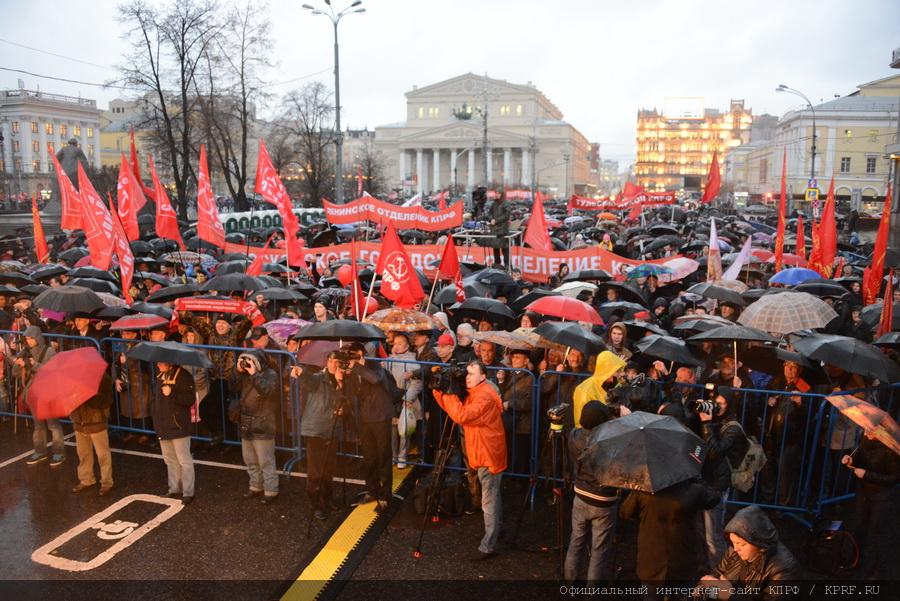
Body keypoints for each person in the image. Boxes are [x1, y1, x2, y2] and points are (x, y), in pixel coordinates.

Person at [432, 361, 506, 560]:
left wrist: (449, 393)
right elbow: (452, 409)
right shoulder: (477, 390)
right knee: (492, 495)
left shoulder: (484, 396)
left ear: (483, 376)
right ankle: (498, 528)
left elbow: (460, 415)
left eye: (472, 374)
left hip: (488, 455)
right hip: (484, 452)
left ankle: (488, 546)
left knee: (488, 500)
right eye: (466, 373)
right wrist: (440, 390)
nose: (467, 377)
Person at [620, 477, 721, 597]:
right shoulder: (694, 491)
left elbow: (625, 512)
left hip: (651, 563)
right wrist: (698, 479)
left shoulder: (643, 490)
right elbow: (714, 498)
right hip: (683, 561)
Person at [564, 401, 620, 585]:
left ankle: (570, 581)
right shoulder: (609, 442)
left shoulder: (574, 435)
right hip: (604, 499)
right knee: (599, 548)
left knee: (576, 540)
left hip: (580, 493)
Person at [291, 352, 349, 520]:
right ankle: (317, 505)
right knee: (316, 471)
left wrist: (341, 384)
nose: (333, 364)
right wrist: (301, 372)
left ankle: (327, 499)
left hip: (332, 430)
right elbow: (309, 380)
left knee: (329, 468)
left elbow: (347, 402)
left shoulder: (342, 380)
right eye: (331, 360)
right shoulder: (318, 378)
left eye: (337, 361)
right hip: (315, 430)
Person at [697, 506, 801, 600]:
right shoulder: (734, 550)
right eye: (733, 543)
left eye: (741, 544)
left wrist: (731, 595)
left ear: (758, 542)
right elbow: (718, 575)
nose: (736, 549)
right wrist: (704, 590)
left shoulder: (783, 569)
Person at [699, 387, 750, 572]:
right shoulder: (719, 422)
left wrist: (706, 425)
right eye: (716, 403)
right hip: (708, 480)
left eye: (721, 404)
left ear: (729, 405)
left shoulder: (733, 428)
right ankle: (709, 567)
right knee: (705, 533)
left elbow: (715, 451)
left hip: (718, 485)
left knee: (713, 537)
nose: (717, 407)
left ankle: (720, 574)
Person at [345, 343, 401, 512]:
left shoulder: (373, 364)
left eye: (353, 354)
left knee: (383, 455)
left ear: (361, 353)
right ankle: (372, 490)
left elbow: (375, 379)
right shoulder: (354, 370)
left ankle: (385, 496)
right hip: (365, 417)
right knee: (369, 456)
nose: (350, 357)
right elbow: (353, 392)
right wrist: (345, 375)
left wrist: (357, 368)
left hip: (380, 416)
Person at [842, 428, 899, 579]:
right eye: (866, 430)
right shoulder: (866, 438)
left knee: (876, 532)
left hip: (881, 496)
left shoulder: (891, 450)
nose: (866, 433)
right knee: (860, 527)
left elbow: (893, 478)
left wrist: (867, 474)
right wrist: (851, 459)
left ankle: (876, 570)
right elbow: (860, 454)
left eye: (870, 431)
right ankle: (855, 561)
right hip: (864, 492)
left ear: (881, 432)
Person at [230, 351, 280, 504]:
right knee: (250, 459)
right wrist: (237, 371)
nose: (248, 364)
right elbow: (232, 387)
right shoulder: (245, 374)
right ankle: (255, 486)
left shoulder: (271, 374)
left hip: (263, 423)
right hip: (246, 422)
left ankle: (271, 490)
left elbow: (268, 391)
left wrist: (254, 374)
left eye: (250, 361)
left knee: (265, 460)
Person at [17, 326, 64, 466]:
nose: (29, 341)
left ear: (37, 337)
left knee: (53, 425)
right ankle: (40, 451)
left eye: (31, 338)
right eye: (27, 339)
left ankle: (59, 452)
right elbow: (15, 372)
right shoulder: (25, 352)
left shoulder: (49, 351)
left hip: (48, 392)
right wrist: (19, 365)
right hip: (33, 392)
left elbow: (53, 371)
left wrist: (35, 364)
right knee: (38, 426)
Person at [153, 361, 196, 504]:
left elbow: (189, 400)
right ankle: (174, 488)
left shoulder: (184, 376)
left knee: (184, 460)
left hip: (178, 426)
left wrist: (172, 393)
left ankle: (188, 492)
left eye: (160, 363)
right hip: (164, 425)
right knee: (169, 459)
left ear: (169, 363)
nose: (157, 365)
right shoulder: (160, 376)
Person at [70, 373, 115, 496]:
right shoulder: (72, 378)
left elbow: (106, 401)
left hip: (96, 421)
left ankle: (106, 482)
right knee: (83, 453)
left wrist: (86, 394)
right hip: (80, 421)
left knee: (102, 454)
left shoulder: (103, 377)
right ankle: (86, 479)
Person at [497, 348, 533, 474]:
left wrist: (510, 404)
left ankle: (519, 480)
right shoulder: (509, 374)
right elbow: (502, 395)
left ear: (526, 361)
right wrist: (501, 382)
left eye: (518, 357)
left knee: (520, 455)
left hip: (522, 424)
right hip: (509, 422)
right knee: (509, 452)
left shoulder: (530, 378)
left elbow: (529, 402)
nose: (514, 359)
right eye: (513, 357)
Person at [487, 191, 511, 268]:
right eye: (496, 193)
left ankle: (507, 266)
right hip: (494, 229)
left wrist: (496, 220)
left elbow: (506, 215)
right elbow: (489, 213)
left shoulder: (506, 203)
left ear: (502, 194)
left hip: (503, 229)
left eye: (498, 193)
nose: (497, 195)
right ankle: (497, 265)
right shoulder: (494, 204)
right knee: (495, 248)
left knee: (505, 248)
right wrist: (491, 219)